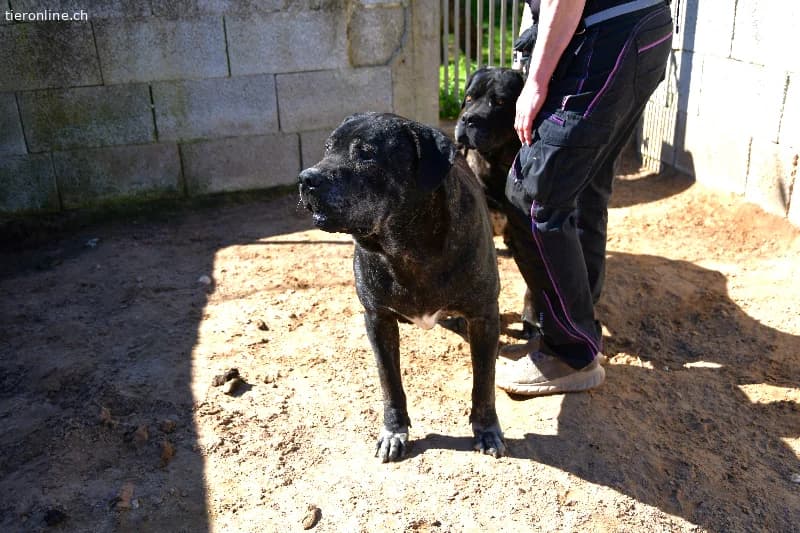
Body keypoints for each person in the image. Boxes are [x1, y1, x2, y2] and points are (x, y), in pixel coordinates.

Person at [495, 0, 674, 395]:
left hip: (606, 37)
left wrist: (537, 81)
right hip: (640, 27)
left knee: (535, 196)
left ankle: (570, 352)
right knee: (585, 185)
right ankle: (579, 317)